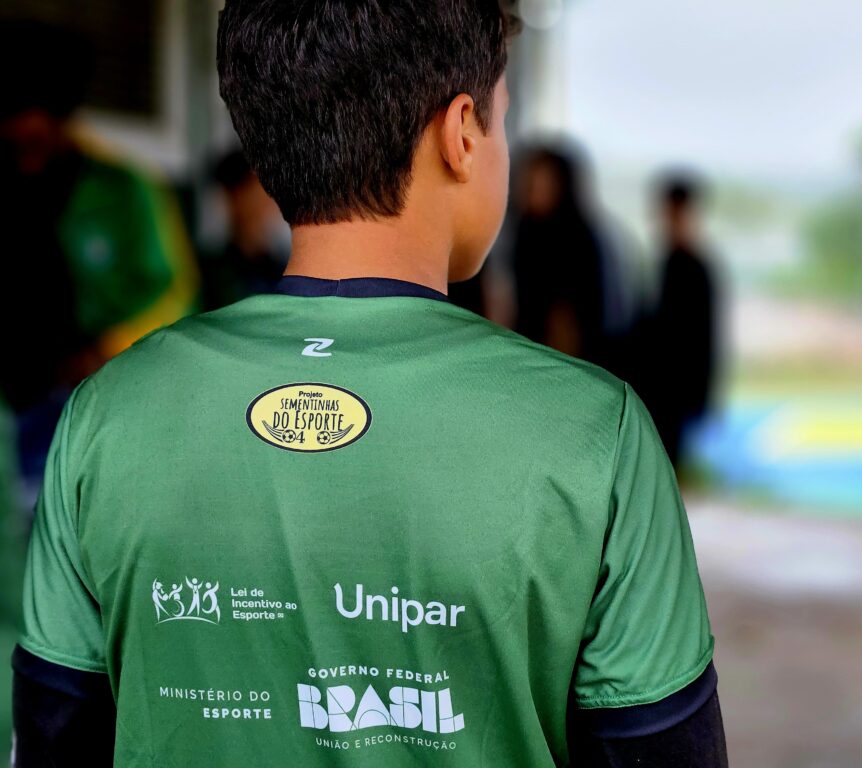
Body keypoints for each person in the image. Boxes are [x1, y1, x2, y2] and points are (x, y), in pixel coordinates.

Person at [11, 3, 727, 766]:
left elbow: (55, 735)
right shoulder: (597, 434)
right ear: (461, 135)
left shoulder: (106, 414)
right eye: (502, 122)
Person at [0, 19, 200, 517]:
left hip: (91, 394)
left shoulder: (125, 187)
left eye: (36, 118)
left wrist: (102, 351)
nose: (23, 134)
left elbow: (175, 290)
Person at [636, 172, 720, 475]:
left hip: (676, 392)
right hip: (661, 389)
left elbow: (705, 338)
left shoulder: (693, 267)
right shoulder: (670, 262)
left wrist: (702, 396)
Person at [509, 143, 612, 368]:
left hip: (563, 363)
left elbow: (572, 319)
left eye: (542, 181)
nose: (533, 189)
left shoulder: (577, 237)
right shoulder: (523, 230)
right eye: (530, 181)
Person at [197, 148, 290, 311]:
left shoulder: (286, 270)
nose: (271, 197)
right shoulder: (208, 275)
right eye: (261, 186)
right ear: (233, 195)